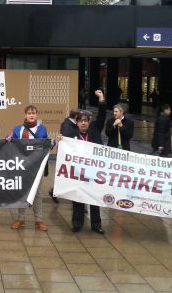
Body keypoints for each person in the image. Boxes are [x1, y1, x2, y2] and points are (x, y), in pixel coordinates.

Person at [58, 90, 106, 234]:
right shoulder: (72, 136)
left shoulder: (95, 131)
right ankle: (77, 223)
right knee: (77, 198)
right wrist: (61, 140)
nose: (83, 123)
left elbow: (102, 115)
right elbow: (65, 150)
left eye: (86, 121)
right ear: (77, 123)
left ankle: (96, 224)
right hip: (78, 173)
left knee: (94, 199)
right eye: (81, 121)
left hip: (94, 172)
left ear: (89, 122)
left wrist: (101, 99)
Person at [10, 105, 49, 231]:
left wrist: (53, 142)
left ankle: (39, 219)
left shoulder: (42, 129)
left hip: (37, 165)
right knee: (22, 191)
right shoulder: (17, 129)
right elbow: (13, 145)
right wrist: (8, 139)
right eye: (29, 113)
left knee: (37, 192)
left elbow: (45, 144)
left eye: (33, 113)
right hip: (22, 165)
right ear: (25, 115)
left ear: (36, 115)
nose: (31, 115)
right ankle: (20, 218)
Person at [51, 109, 80, 203]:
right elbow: (66, 140)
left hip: (71, 155)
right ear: (76, 117)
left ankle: (54, 191)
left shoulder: (71, 125)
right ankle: (54, 192)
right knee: (69, 176)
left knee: (69, 177)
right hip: (67, 155)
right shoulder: (67, 126)